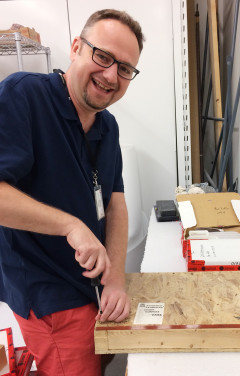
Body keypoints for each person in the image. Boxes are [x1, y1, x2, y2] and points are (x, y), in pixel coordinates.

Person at [0, 9, 144, 376]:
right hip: (50, 295)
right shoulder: (24, 96)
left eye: (125, 68)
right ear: (76, 47)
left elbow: (115, 204)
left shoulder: (107, 127)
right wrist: (71, 226)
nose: (112, 75)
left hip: (91, 286)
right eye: (103, 56)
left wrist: (114, 282)